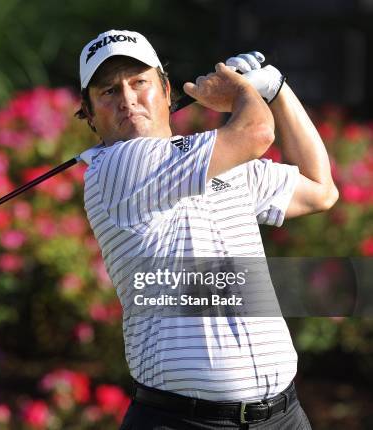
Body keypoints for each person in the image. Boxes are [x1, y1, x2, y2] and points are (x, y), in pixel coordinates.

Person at [77, 29, 337, 429]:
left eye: (139, 82)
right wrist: (242, 92)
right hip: (181, 420)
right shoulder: (115, 169)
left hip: (283, 416)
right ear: (91, 116)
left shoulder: (216, 165)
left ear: (167, 92)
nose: (127, 99)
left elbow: (320, 190)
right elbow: (256, 133)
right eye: (108, 91)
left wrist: (278, 89)